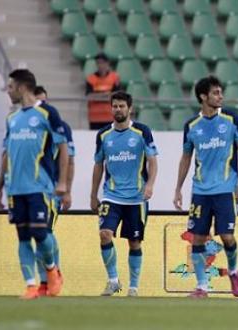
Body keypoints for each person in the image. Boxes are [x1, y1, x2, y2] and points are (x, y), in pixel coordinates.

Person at [0, 69, 68, 299]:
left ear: (22, 87)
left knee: (41, 234)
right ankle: (30, 286)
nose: (8, 91)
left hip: (39, 186)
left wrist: (63, 182)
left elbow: (63, 147)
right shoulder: (12, 118)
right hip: (15, 189)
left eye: (10, 87)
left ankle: (51, 270)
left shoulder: (47, 113)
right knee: (23, 236)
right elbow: (6, 154)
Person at [173, 76, 238, 299]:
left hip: (225, 189)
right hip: (200, 192)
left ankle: (234, 270)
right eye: (216, 93)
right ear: (203, 97)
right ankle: (202, 287)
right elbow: (186, 158)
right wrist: (178, 188)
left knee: (227, 237)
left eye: (220, 92)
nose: (221, 96)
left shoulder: (231, 118)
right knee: (197, 238)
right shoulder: (191, 126)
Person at [90, 91, 158, 297]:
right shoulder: (103, 135)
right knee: (104, 234)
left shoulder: (142, 132)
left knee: (134, 242)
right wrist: (93, 194)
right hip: (111, 195)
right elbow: (98, 165)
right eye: (115, 106)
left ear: (130, 109)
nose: (118, 109)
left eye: (121, 106)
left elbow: (152, 161)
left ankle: (133, 287)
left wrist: (150, 185)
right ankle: (113, 281)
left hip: (136, 197)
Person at [33, 86, 76, 296]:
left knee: (45, 232)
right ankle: (46, 278)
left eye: (44, 103)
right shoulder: (26, 123)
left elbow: (70, 160)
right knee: (38, 234)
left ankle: (50, 276)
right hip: (30, 189)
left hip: (51, 190)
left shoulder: (61, 127)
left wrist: (66, 189)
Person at [86, 53, 121, 130]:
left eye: (102, 62)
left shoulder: (114, 77)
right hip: (95, 117)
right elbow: (89, 96)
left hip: (110, 116)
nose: (100, 65)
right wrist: (106, 95)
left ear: (107, 63)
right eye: (98, 63)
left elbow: (117, 95)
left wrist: (98, 96)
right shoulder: (91, 78)